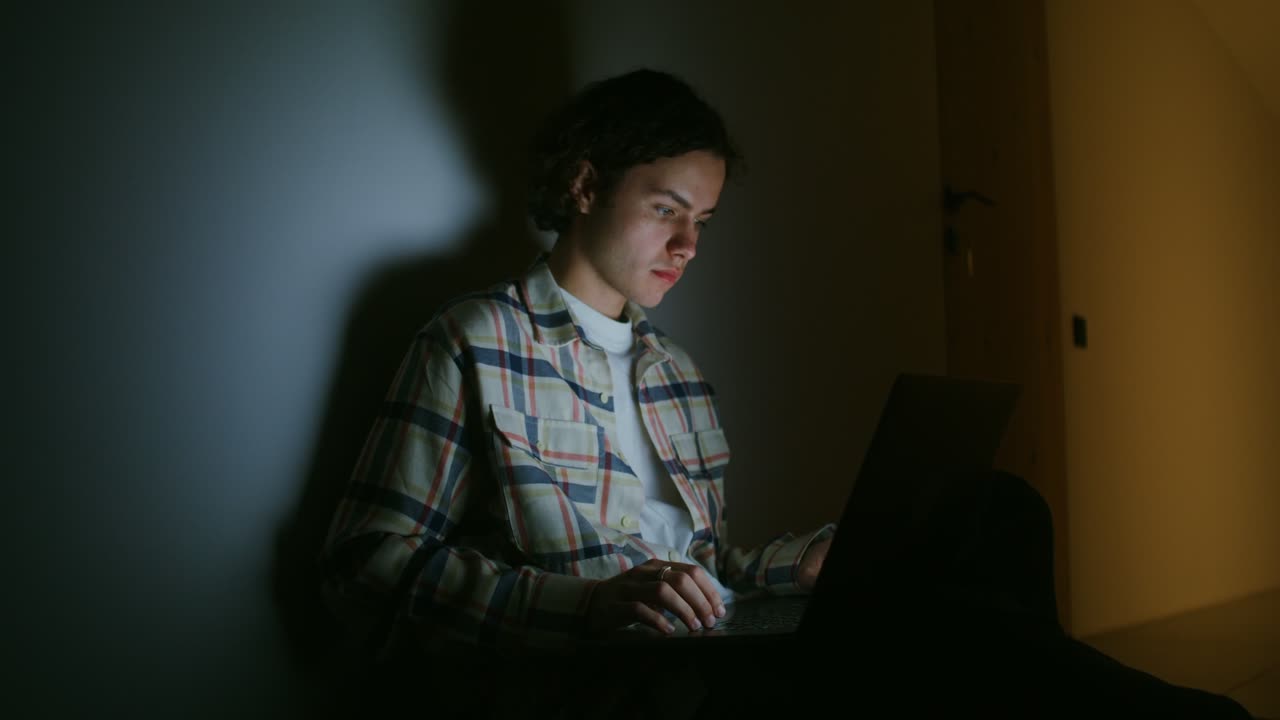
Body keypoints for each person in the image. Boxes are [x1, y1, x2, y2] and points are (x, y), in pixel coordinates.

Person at [318, 69, 1251, 719]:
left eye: (705, 220)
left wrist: (804, 564)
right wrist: (585, 605)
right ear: (584, 183)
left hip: (712, 659)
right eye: (666, 210)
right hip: (600, 682)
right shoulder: (474, 339)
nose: (689, 245)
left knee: (992, 511)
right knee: (956, 653)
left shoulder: (675, 374)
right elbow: (366, 560)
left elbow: (707, 569)